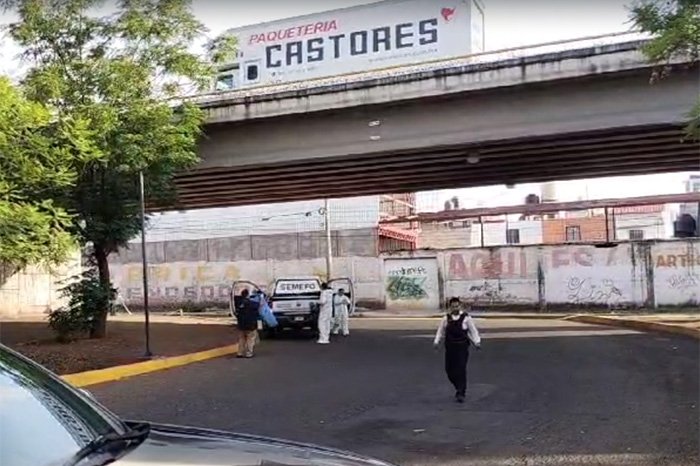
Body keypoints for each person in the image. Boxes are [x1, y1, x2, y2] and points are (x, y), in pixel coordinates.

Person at [433, 297, 481, 403]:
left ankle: (461, 392)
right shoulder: (446, 318)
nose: (455, 308)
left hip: (462, 347)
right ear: (450, 307)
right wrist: (436, 341)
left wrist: (477, 342)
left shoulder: (466, 318)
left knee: (461, 369)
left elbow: (473, 331)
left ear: (460, 306)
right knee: (449, 370)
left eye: (457, 306)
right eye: (453, 306)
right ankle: (457, 386)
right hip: (450, 348)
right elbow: (440, 331)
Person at [234, 289, 259, 358]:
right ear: (248, 295)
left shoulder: (238, 303)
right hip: (251, 324)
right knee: (250, 339)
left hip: (241, 324)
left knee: (241, 339)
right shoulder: (253, 304)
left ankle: (240, 353)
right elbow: (258, 308)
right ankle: (249, 353)